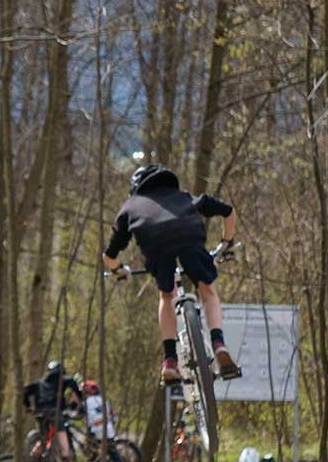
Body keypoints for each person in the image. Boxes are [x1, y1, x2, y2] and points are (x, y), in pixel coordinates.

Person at [102, 164, 242, 383]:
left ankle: (169, 361)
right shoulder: (183, 197)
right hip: (189, 237)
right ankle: (218, 343)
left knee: (167, 295)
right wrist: (227, 243)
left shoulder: (130, 207)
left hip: (156, 246)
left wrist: (117, 271)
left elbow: (109, 255)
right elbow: (228, 211)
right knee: (207, 289)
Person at [22, 361, 81, 462]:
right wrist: (79, 401)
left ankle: (31, 458)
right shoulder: (62, 379)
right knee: (61, 430)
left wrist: (29, 406)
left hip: (40, 413)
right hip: (55, 411)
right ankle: (65, 456)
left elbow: (24, 391)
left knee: (44, 436)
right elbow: (72, 382)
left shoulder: (39, 383)